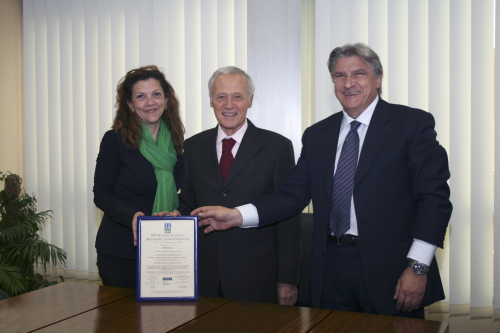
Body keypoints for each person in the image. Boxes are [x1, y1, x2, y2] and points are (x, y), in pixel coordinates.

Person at [192, 44, 452, 318]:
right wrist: (236, 215)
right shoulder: (317, 135)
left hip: (393, 271)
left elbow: (434, 199)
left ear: (378, 78)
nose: (348, 83)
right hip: (330, 271)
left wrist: (418, 267)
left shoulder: (411, 124)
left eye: (359, 74)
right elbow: (292, 195)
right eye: (340, 76)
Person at [160, 66, 302, 305]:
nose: (229, 104)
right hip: (203, 276)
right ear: (211, 101)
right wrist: (176, 215)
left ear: (250, 101)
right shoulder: (194, 147)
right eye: (221, 96)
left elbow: (288, 216)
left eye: (237, 96)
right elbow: (188, 201)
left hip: (256, 278)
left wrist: (288, 279)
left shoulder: (277, 147)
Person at [93, 65, 184, 289]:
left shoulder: (176, 142)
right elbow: (101, 194)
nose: (150, 102)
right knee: (121, 323)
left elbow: (184, 190)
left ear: (166, 100)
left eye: (156, 94)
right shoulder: (115, 140)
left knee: (164, 321)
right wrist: (131, 215)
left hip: (165, 249)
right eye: (141, 97)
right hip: (122, 252)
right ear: (131, 105)